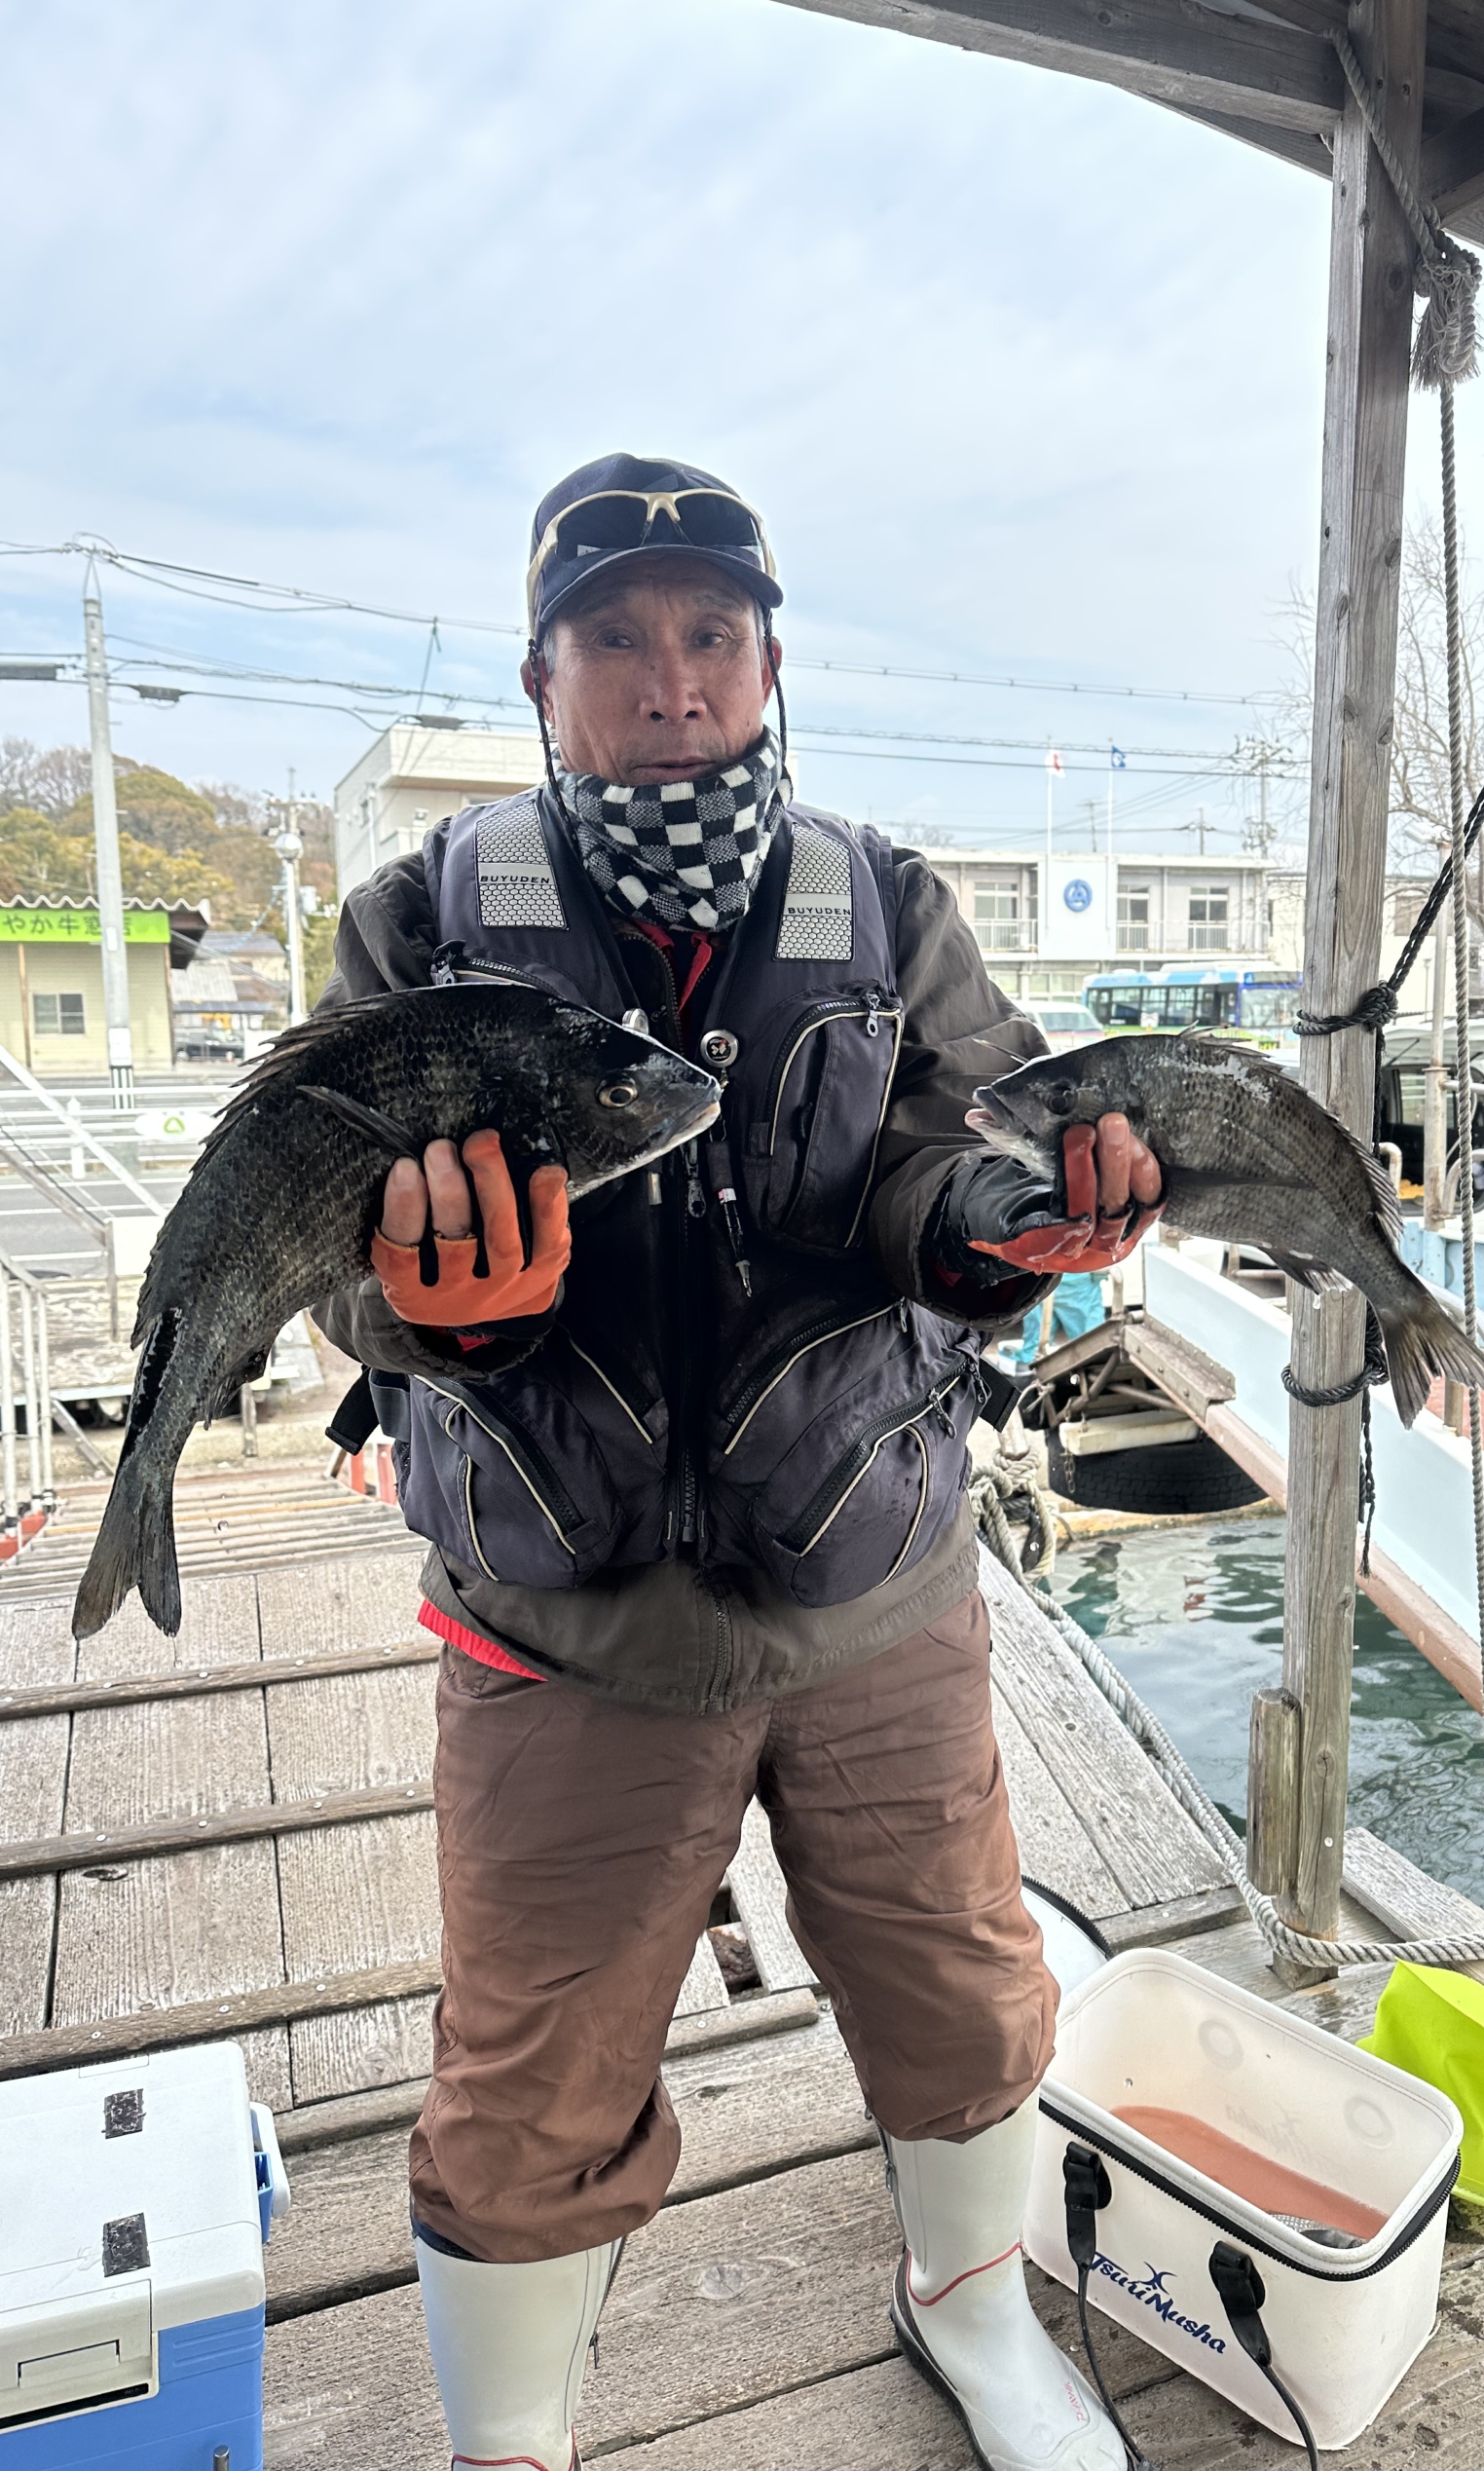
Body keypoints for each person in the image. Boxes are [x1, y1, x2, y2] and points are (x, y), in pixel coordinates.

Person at [315, 454, 1163, 2471]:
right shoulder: (419, 917)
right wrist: (433, 1309)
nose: (670, 679)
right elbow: (322, 1240)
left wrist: (1009, 1227)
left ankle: (972, 2303)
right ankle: (511, 2431)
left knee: (962, 1985)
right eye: (615, 638)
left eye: (712, 632)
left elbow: (951, 1151)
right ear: (541, 679)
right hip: (563, 1618)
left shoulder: (890, 902)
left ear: (773, 666)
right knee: (528, 2069)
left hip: (875, 1582)